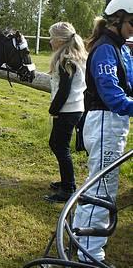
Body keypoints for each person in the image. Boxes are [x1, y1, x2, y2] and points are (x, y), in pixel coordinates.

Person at [72, 0, 133, 267]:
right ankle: (90, 254)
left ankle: (79, 238)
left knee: (98, 184)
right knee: (102, 189)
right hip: (106, 120)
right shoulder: (106, 49)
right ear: (117, 19)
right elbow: (113, 96)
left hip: (112, 122)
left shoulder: (121, 48)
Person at [44, 22, 87, 203]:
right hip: (74, 108)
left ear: (60, 40)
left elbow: (64, 90)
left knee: (60, 146)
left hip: (67, 110)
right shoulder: (75, 57)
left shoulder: (65, 60)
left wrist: (53, 109)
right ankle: (66, 181)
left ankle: (68, 188)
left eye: (52, 37)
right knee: (56, 144)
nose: (50, 41)